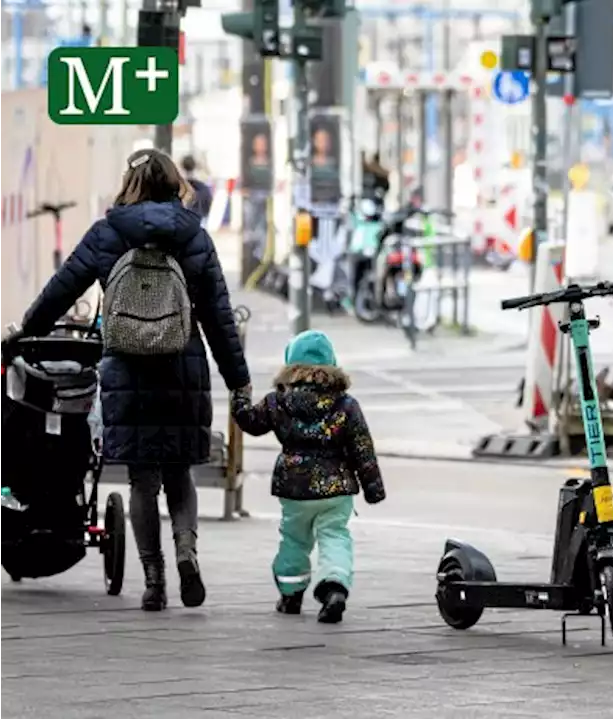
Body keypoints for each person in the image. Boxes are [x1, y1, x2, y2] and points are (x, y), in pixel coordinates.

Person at [17, 148, 251, 611]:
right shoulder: (195, 238)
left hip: (127, 369)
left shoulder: (108, 233)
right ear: (174, 184)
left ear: (130, 185)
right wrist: (238, 380)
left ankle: (154, 580)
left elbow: (62, 287)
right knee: (179, 470)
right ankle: (187, 551)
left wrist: (27, 330)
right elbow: (219, 318)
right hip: (183, 366)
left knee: (142, 481)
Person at [230, 330, 385, 623]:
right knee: (335, 536)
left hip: (295, 488)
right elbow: (362, 447)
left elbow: (250, 421)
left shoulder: (278, 401)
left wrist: (240, 395)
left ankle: (291, 595)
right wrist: (373, 488)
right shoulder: (346, 404)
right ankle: (334, 587)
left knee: (294, 540)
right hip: (335, 489)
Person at [180, 155, 213, 223]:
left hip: (184, 221)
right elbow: (208, 201)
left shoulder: (179, 185)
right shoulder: (203, 185)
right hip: (200, 218)